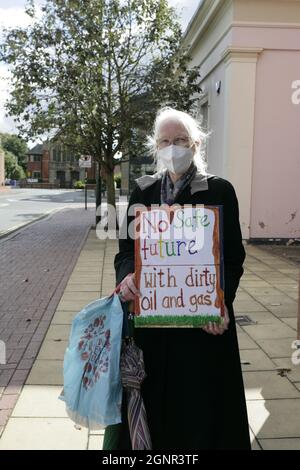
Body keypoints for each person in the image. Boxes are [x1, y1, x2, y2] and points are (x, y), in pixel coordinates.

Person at [103, 107, 251, 450]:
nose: (173, 147)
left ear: (196, 143)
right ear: (156, 147)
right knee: (154, 412)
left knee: (201, 413)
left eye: (181, 140)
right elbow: (126, 251)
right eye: (166, 141)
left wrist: (220, 302)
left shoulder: (220, 190)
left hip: (202, 329)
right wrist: (127, 278)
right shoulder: (142, 192)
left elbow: (233, 258)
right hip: (153, 327)